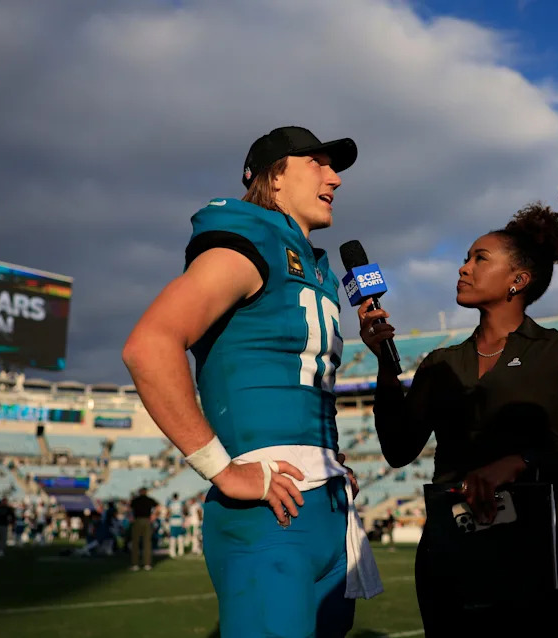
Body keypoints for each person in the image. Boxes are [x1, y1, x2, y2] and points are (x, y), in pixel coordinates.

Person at [122, 126, 379, 637]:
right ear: (275, 177)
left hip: (325, 509)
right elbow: (149, 346)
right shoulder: (250, 239)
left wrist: (326, 459)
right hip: (269, 512)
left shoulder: (318, 267)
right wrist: (223, 470)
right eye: (318, 163)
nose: (335, 179)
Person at [359, 203, 558, 636]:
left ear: (518, 280)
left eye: (480, 258)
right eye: (465, 257)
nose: (463, 268)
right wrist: (386, 371)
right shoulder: (440, 363)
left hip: (544, 556)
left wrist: (523, 462)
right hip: (454, 553)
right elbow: (399, 450)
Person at [128, 487, 158, 571]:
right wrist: (154, 515)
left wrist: (131, 517)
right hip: (147, 521)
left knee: (135, 543)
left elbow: (129, 509)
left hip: (137, 520)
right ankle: (147, 564)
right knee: (147, 543)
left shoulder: (135, 500)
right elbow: (158, 506)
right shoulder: (149, 499)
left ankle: (135, 564)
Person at [166, 492, 186, 558]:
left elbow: (168, 512)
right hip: (179, 520)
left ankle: (172, 552)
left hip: (173, 520)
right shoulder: (181, 503)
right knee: (180, 536)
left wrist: (167, 520)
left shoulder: (170, 503)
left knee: (173, 537)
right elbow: (184, 511)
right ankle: (181, 551)